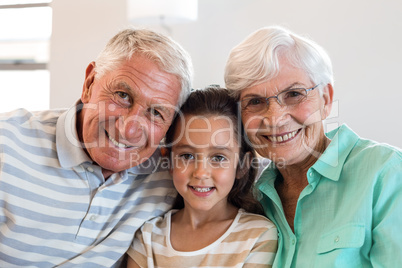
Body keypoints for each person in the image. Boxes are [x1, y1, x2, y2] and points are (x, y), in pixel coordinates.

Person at [0, 28, 193, 267]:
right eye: (122, 95)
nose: (128, 130)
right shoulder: (6, 143)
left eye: (155, 112)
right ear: (90, 83)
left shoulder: (175, 175)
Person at [224, 26, 402, 267]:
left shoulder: (386, 172)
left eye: (294, 94)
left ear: (326, 99)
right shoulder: (251, 199)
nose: (275, 119)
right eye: (255, 101)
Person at [126, 87, 278, 267]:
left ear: (242, 165)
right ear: (169, 161)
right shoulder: (148, 237)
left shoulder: (258, 235)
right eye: (187, 156)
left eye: (218, 158)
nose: (201, 173)